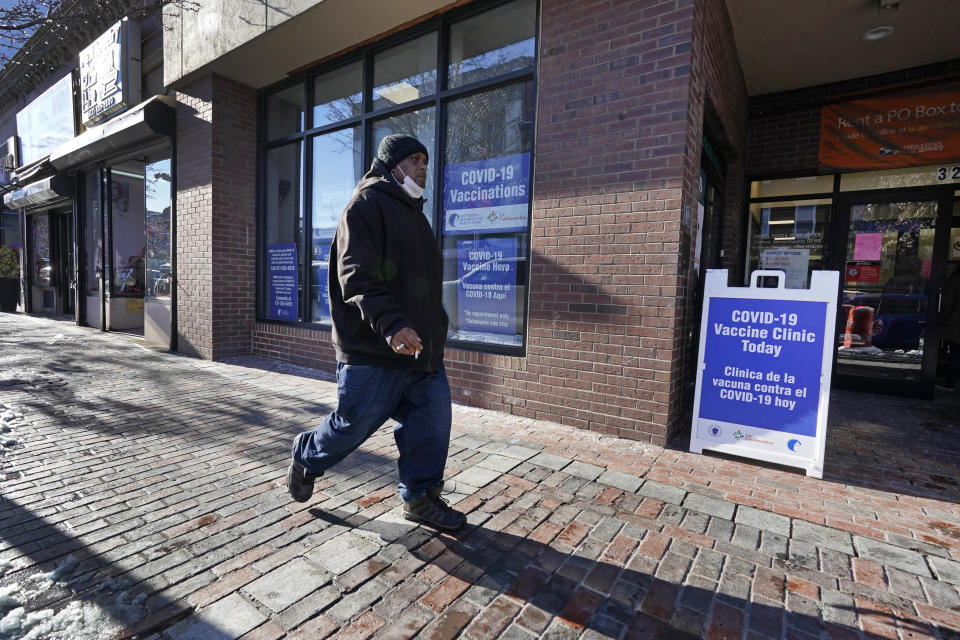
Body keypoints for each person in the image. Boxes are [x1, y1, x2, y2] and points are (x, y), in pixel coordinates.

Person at [285, 134, 466, 531]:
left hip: (423, 353)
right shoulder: (365, 206)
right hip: (375, 351)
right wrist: (392, 323)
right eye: (414, 159)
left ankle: (420, 498)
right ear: (392, 165)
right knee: (350, 428)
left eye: (426, 160)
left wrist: (435, 329)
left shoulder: (416, 215)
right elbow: (357, 276)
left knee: (431, 428)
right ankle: (306, 455)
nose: (423, 166)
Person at [938, 265, 960, 391]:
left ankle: (949, 383)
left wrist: (941, 320)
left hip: (955, 322)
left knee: (955, 353)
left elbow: (947, 304)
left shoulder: (955, 281)